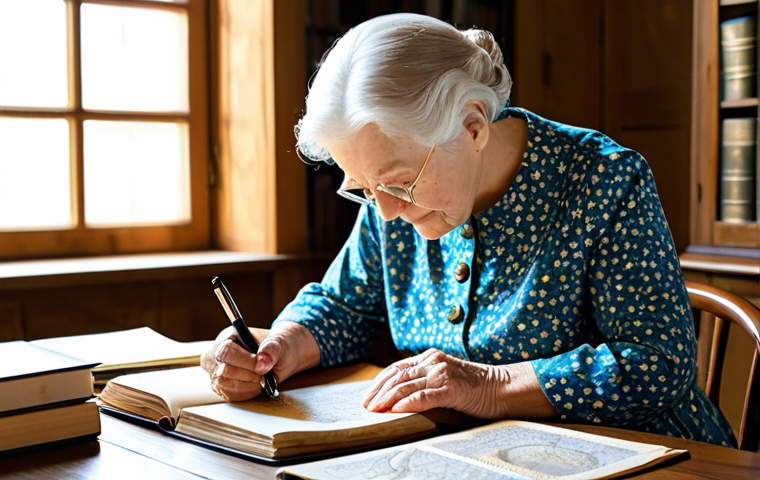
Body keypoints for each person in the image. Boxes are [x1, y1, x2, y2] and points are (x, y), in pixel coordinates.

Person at [201, 13, 735, 447]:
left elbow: (657, 363)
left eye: (400, 184)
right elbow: (345, 305)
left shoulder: (602, 180)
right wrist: (279, 347)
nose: (384, 212)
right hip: (472, 454)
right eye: (362, 187)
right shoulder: (389, 191)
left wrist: (490, 385)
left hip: (650, 457)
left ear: (473, 125)